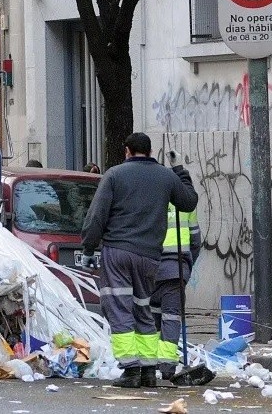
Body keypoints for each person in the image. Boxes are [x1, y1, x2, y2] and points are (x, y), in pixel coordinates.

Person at [80, 133, 198, 388]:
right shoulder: (166, 176)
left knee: (119, 307)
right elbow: (188, 202)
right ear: (149, 150)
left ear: (127, 151)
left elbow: (98, 214)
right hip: (150, 256)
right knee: (143, 308)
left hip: (118, 252)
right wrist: (180, 171)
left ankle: (131, 370)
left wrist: (89, 247)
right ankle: (148, 370)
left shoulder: (114, 175)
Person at [151, 151, 202, 382]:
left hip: (150, 268)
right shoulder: (186, 204)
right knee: (172, 318)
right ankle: (168, 368)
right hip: (176, 269)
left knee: (151, 317)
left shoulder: (151, 199)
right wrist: (187, 268)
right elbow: (195, 240)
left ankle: (148, 366)